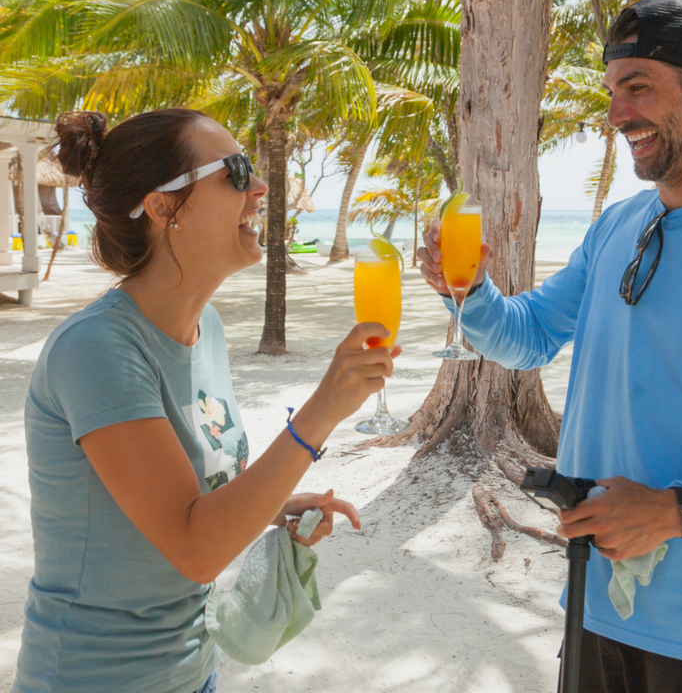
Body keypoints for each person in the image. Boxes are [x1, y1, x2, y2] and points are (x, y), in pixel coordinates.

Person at [418, 0, 682, 692]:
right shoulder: (618, 224)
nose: (617, 113)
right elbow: (528, 336)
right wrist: (466, 292)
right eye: (613, 91)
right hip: (592, 604)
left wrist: (677, 512)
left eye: (638, 87)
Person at [12, 109, 398, 693]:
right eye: (236, 171)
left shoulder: (206, 328)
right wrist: (322, 412)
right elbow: (194, 549)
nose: (261, 186)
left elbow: (178, 501)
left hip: (192, 672)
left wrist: (273, 505)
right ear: (165, 208)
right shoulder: (95, 349)